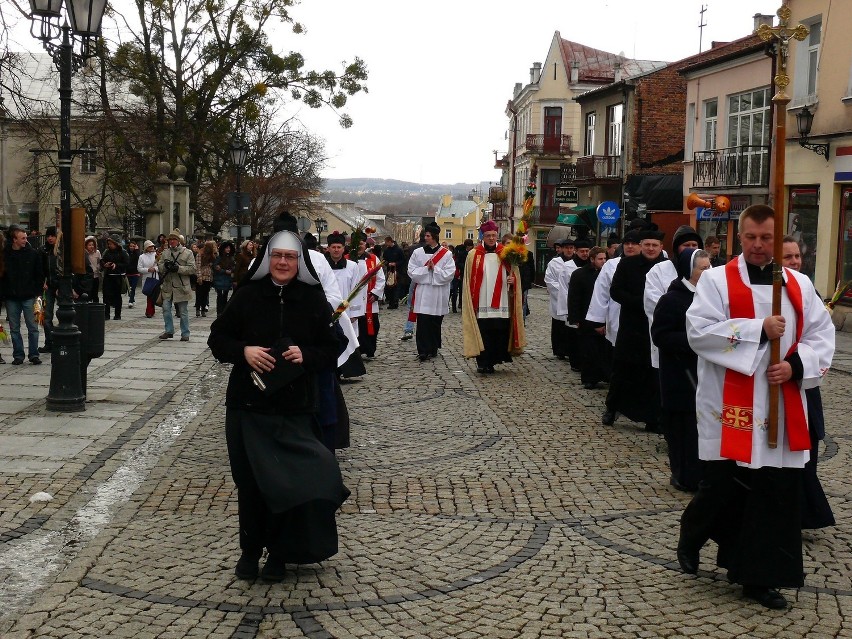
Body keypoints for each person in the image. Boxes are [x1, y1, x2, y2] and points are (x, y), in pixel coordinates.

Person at [678, 205, 835, 610]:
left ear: (777, 238)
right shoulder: (716, 282)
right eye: (751, 237)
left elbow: (822, 333)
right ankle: (693, 532)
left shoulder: (798, 285)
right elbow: (699, 332)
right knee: (723, 486)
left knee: (772, 495)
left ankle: (757, 578)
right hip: (732, 403)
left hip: (783, 403)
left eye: (766, 238)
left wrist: (796, 365)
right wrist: (757, 331)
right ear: (740, 237)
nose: (759, 245)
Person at [207, 230, 349, 582]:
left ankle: (281, 553)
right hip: (247, 406)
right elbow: (217, 339)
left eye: (290, 256)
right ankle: (250, 550)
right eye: (277, 256)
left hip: (294, 409)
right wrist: (244, 351)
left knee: (291, 484)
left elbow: (334, 347)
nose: (283, 262)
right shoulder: (247, 296)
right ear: (267, 259)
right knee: (252, 483)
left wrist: (307, 354)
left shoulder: (313, 300)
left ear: (299, 261)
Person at [781, 235, 834, 530]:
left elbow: (820, 336)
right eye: (788, 257)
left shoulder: (805, 288)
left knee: (808, 443)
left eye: (797, 256)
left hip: (802, 379)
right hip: (776, 380)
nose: (795, 262)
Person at [651, 248, 711, 492]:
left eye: (709, 267)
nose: (707, 272)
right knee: (682, 429)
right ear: (689, 271)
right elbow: (660, 335)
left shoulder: (711, 297)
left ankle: (702, 474)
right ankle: (682, 474)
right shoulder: (671, 299)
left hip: (705, 372)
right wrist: (695, 341)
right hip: (679, 373)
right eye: (702, 268)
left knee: (701, 428)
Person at [604, 229, 668, 431]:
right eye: (647, 244)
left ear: (661, 247)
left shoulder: (666, 268)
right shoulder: (627, 264)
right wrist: (641, 303)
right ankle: (612, 408)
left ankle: (652, 417)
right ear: (641, 245)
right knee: (622, 369)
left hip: (654, 327)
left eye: (654, 245)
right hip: (631, 326)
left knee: (650, 374)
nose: (650, 248)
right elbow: (615, 291)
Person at [461, 220, 526, 374]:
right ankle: (483, 362)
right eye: (488, 235)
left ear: (497, 236)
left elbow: (515, 274)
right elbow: (468, 279)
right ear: (483, 236)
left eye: (494, 235)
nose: (491, 238)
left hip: (502, 298)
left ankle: (495, 359)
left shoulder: (507, 253)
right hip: (482, 298)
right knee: (484, 331)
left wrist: (513, 280)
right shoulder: (473, 254)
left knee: (499, 330)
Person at [644, 224, 703, 371]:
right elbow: (653, 303)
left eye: (694, 244)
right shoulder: (659, 270)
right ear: (676, 247)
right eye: (686, 245)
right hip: (672, 338)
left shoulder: (707, 270)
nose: (691, 248)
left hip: (701, 340)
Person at [407, 222, 455, 361]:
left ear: (434, 237)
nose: (425, 238)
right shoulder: (418, 253)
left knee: (435, 321)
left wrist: (435, 269)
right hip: (423, 291)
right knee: (423, 321)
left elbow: (449, 273)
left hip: (439, 292)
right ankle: (422, 350)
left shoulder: (446, 254)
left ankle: (433, 348)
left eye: (428, 235)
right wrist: (426, 269)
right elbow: (411, 270)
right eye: (425, 235)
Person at [326, 231, 366, 379]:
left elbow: (357, 289)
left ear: (344, 248)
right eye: (333, 247)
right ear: (328, 248)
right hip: (329, 310)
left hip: (346, 311)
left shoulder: (352, 266)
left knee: (347, 338)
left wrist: (355, 312)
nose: (336, 250)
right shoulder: (323, 266)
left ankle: (347, 371)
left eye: (339, 247)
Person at [568, 246, 609, 388]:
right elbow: (574, 298)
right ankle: (589, 378)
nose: (603, 261)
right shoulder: (579, 274)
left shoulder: (608, 274)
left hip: (604, 318)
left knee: (602, 350)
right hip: (585, 318)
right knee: (588, 350)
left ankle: (603, 375)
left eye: (605, 258)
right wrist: (575, 318)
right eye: (600, 259)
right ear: (592, 259)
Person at [2, 226, 43, 365]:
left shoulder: (32, 253)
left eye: (26, 237)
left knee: (33, 327)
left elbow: (39, 274)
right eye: (23, 238)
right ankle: (18, 355)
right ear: (14, 240)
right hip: (11, 296)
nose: (26, 240)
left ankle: (33, 354)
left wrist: (37, 292)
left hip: (29, 295)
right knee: (14, 328)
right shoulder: (5, 254)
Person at [157, 229, 196, 341]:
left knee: (183, 312)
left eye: (174, 239)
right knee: (165, 308)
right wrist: (165, 266)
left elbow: (192, 269)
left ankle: (185, 333)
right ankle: (169, 331)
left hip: (182, 286)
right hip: (168, 286)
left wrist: (178, 268)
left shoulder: (187, 252)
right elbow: (159, 266)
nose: (172, 241)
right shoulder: (165, 252)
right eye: (170, 240)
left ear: (178, 240)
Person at [353, 244, 385, 359]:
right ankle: (357, 350)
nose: (359, 246)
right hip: (354, 300)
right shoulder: (348, 258)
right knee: (357, 325)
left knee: (372, 325)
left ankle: (370, 349)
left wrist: (376, 293)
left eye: (361, 244)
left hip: (369, 298)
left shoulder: (373, 258)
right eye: (357, 243)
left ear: (365, 244)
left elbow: (381, 277)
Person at [544, 239, 571, 359]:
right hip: (558, 298)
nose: (569, 250)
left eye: (571, 248)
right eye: (567, 248)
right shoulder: (554, 263)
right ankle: (559, 349)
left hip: (572, 298)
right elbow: (549, 280)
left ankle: (569, 349)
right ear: (562, 249)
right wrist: (563, 291)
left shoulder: (577, 263)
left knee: (570, 326)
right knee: (558, 325)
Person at [40, 226, 58, 354]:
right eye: (48, 236)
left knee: (66, 315)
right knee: (46, 316)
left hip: (60, 286)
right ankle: (49, 342)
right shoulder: (43, 250)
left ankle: (63, 341)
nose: (50, 238)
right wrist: (43, 281)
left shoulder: (62, 250)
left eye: (52, 236)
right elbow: (40, 269)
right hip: (48, 286)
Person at [101, 235, 128, 320]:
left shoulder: (122, 252)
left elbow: (126, 263)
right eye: (108, 244)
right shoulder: (106, 252)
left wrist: (116, 265)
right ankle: (106, 314)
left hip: (118, 277)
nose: (110, 246)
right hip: (108, 276)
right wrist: (104, 264)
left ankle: (117, 314)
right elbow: (102, 261)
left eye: (111, 244)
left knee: (117, 296)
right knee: (106, 296)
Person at [212, 241, 236, 316]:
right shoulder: (219, 257)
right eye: (226, 248)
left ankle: (224, 311)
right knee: (219, 295)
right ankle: (219, 311)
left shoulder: (231, 258)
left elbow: (234, 266)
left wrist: (231, 271)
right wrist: (224, 271)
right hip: (220, 278)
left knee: (225, 295)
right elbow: (216, 267)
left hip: (227, 279)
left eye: (229, 248)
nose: (228, 249)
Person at [381, 236, 404, 309]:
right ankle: (391, 302)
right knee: (389, 287)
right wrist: (387, 264)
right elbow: (384, 260)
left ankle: (395, 302)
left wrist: (396, 264)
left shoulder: (399, 250)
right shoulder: (386, 250)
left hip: (397, 271)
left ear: (390, 241)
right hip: (389, 271)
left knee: (396, 287)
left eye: (386, 242)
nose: (386, 244)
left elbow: (403, 260)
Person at [138, 240, 159, 318]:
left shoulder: (156, 255)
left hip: (155, 277)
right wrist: (147, 270)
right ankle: (149, 311)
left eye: (152, 246)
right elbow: (139, 268)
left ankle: (150, 310)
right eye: (149, 246)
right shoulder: (142, 257)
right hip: (147, 278)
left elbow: (160, 265)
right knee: (149, 295)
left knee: (154, 295)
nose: (151, 248)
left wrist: (155, 269)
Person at [195, 240, 216, 317]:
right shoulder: (199, 255)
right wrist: (199, 277)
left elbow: (214, 264)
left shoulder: (211, 256)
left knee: (205, 294)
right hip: (201, 276)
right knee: (199, 294)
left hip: (208, 277)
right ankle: (198, 308)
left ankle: (203, 309)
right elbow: (198, 266)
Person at [84, 236, 102, 304]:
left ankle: (95, 306)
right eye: (89, 245)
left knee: (95, 293)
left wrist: (99, 267)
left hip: (95, 275)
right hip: (87, 276)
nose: (91, 246)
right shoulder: (84, 253)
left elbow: (100, 261)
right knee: (88, 293)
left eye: (92, 245)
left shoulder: (97, 252)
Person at [126, 240, 141, 309]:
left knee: (133, 288)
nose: (131, 247)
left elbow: (139, 258)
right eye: (130, 246)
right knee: (129, 288)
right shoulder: (126, 253)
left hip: (135, 273)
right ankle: (132, 299)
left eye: (133, 246)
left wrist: (137, 250)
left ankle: (130, 301)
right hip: (128, 273)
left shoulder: (137, 253)